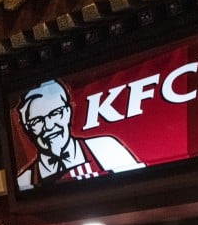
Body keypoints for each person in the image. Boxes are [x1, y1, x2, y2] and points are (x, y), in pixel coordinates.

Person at [15, 79, 144, 192]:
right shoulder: (24, 180)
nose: (49, 126)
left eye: (55, 113)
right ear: (27, 128)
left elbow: (141, 189)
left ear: (67, 112)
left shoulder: (105, 148)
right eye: (37, 121)